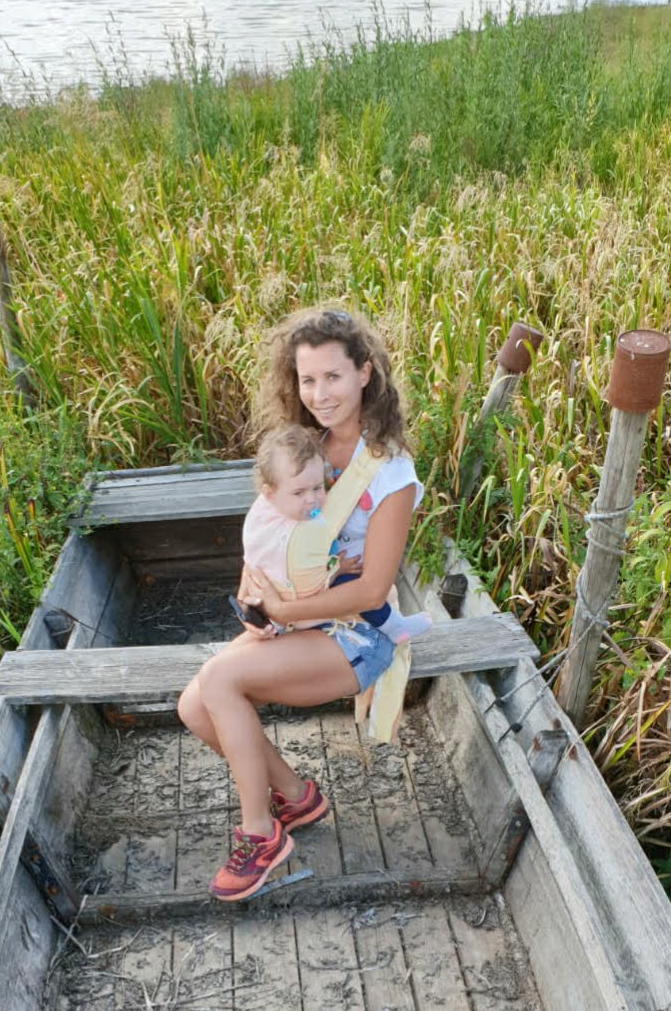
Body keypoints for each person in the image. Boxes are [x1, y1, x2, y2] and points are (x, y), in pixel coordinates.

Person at [177, 307, 424, 902]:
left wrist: (276, 613)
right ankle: (298, 797)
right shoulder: (301, 448)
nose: (319, 394)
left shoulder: (390, 474)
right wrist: (249, 584)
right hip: (293, 619)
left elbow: (368, 590)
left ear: (366, 373)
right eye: (307, 380)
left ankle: (261, 834)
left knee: (220, 679)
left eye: (333, 377)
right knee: (194, 706)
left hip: (355, 634)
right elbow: (267, 522)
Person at [240, 422, 432, 644]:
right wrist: (337, 569)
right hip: (299, 611)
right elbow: (303, 573)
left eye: (318, 487)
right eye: (299, 492)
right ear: (270, 494)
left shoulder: (266, 515)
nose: (312, 499)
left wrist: (248, 603)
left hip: (278, 615)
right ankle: (393, 626)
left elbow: (255, 567)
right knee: (349, 582)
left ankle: (393, 626)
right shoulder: (295, 528)